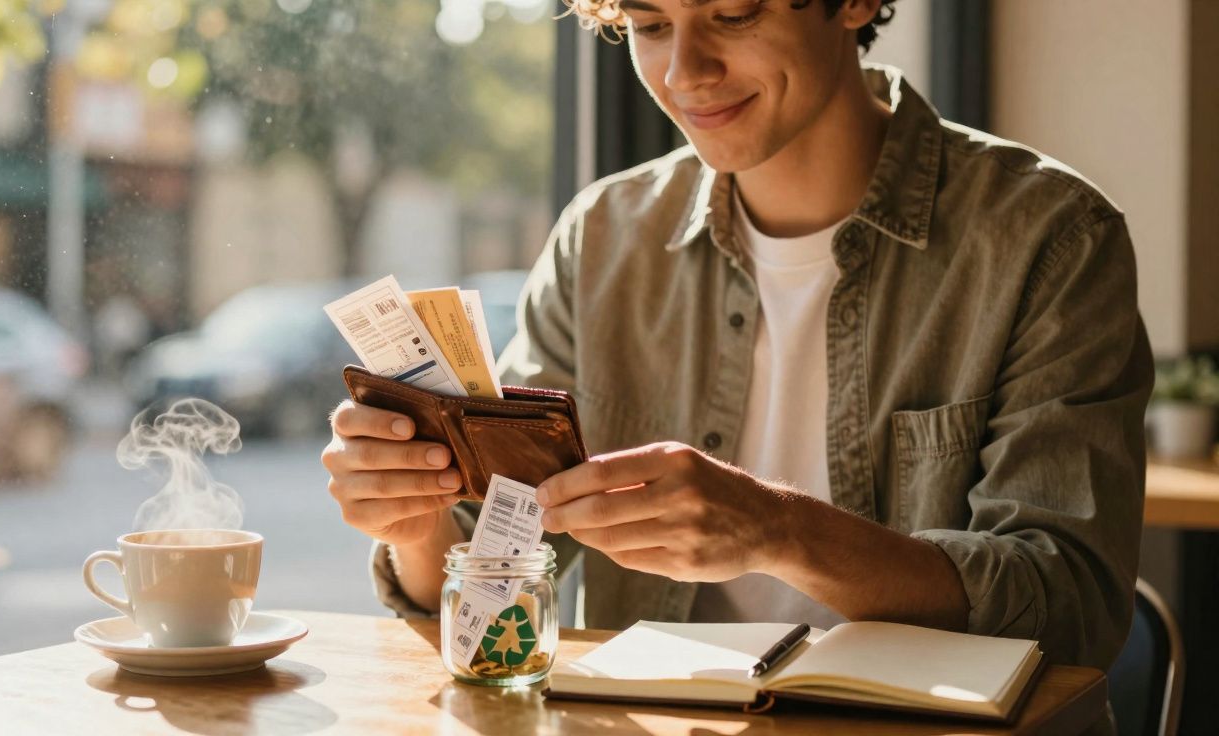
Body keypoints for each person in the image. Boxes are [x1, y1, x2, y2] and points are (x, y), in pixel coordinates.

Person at [322, 0, 1151, 672]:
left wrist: (778, 530)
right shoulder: (603, 238)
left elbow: (1071, 610)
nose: (685, 72)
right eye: (650, 25)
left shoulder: (1050, 239)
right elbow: (492, 585)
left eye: (734, 15)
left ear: (855, 4)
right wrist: (416, 529)